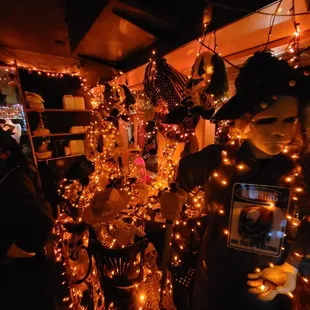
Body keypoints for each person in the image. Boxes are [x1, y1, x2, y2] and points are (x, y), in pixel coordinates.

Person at [160, 51, 309, 309]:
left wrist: (291, 267)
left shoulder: (300, 171)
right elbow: (182, 176)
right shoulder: (216, 160)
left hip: (270, 292)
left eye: (290, 120)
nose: (281, 131)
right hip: (215, 286)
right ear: (244, 120)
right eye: (268, 120)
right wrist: (172, 197)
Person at [0, 128, 56, 309]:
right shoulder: (15, 174)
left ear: (5, 154)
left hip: (24, 270)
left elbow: (44, 221)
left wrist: (16, 251)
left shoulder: (15, 182)